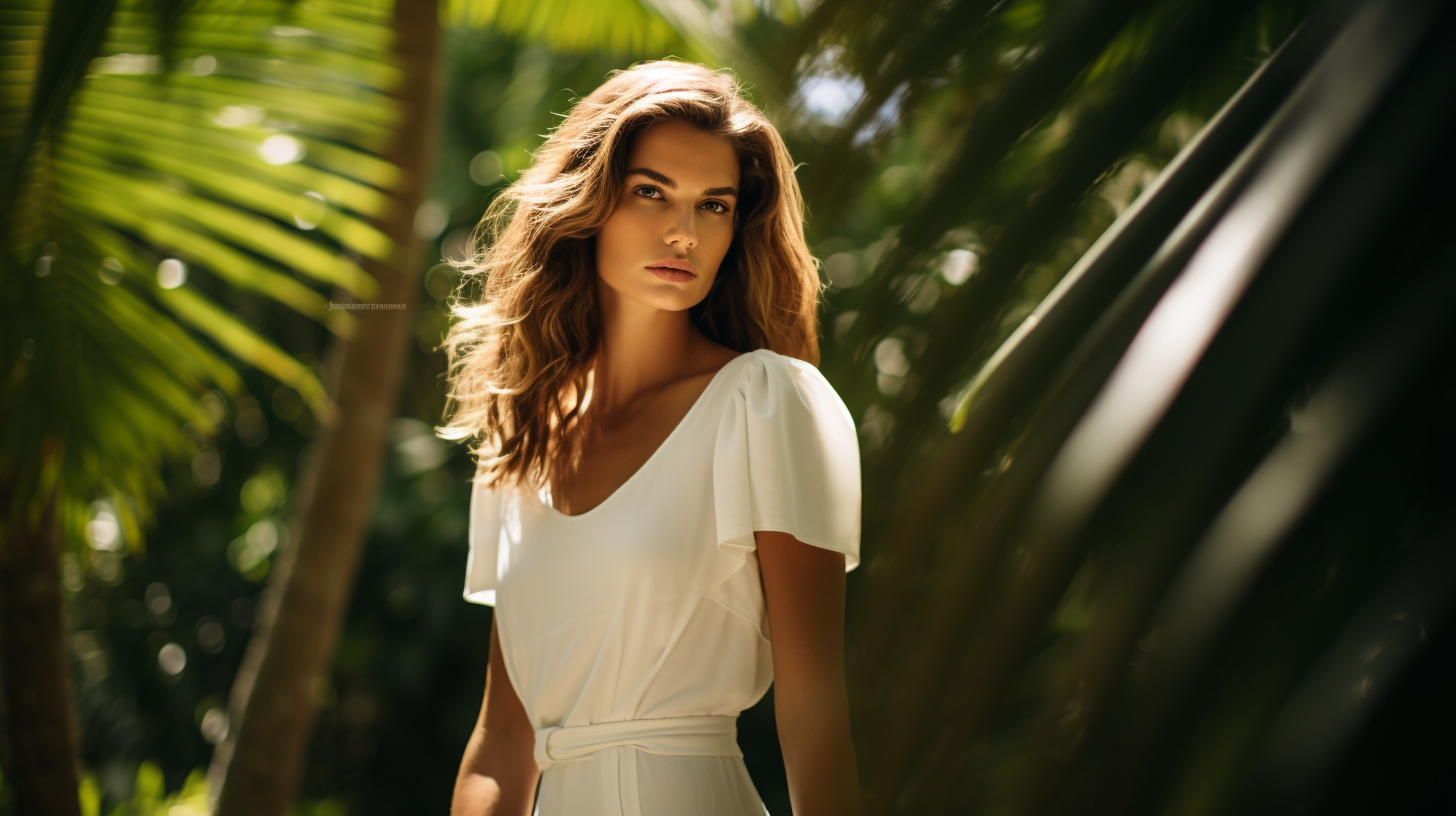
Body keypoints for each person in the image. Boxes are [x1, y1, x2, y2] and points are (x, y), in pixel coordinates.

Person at [439, 59, 861, 816]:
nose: (683, 232)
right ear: (589, 201)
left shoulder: (764, 404)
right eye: (651, 192)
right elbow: (502, 742)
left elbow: (812, 706)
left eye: (715, 205)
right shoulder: (519, 441)